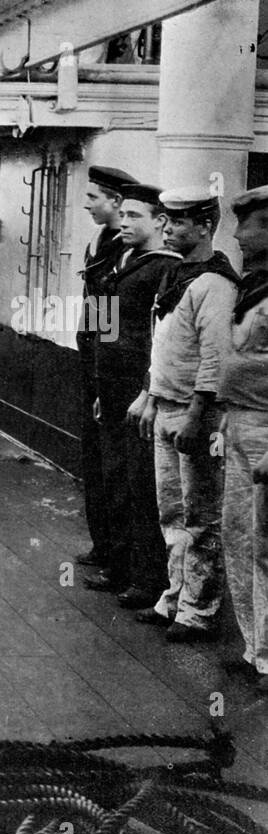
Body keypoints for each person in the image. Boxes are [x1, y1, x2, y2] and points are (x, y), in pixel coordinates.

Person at [133, 187, 237, 642]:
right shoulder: (179, 276)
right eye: (166, 220)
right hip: (168, 406)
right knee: (172, 513)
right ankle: (174, 597)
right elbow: (166, 346)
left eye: (177, 221)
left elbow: (215, 358)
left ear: (205, 225)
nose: (168, 228)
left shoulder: (213, 284)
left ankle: (199, 610)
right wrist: (151, 396)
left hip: (196, 414)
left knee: (201, 517)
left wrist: (198, 416)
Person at [88, 183, 178, 609]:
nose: (124, 222)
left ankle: (149, 579)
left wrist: (146, 390)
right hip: (113, 388)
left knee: (143, 487)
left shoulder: (163, 269)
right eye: (123, 215)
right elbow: (105, 331)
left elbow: (159, 341)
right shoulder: (122, 263)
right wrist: (102, 387)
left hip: (140, 392)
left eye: (135, 217)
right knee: (117, 481)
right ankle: (120, 564)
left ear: (160, 222)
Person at [216, 185, 268, 694]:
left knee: (267, 544)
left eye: (246, 225)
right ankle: (256, 649)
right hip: (239, 421)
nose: (236, 233)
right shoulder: (252, 286)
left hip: (266, 430)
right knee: (240, 535)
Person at [76, 164, 135, 569]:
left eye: (94, 197)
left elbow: (109, 314)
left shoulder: (124, 250)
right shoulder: (100, 241)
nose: (87, 204)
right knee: (95, 461)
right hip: (92, 361)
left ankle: (118, 552)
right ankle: (103, 545)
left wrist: (99, 347)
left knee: (114, 466)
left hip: (111, 367)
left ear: (116, 201)